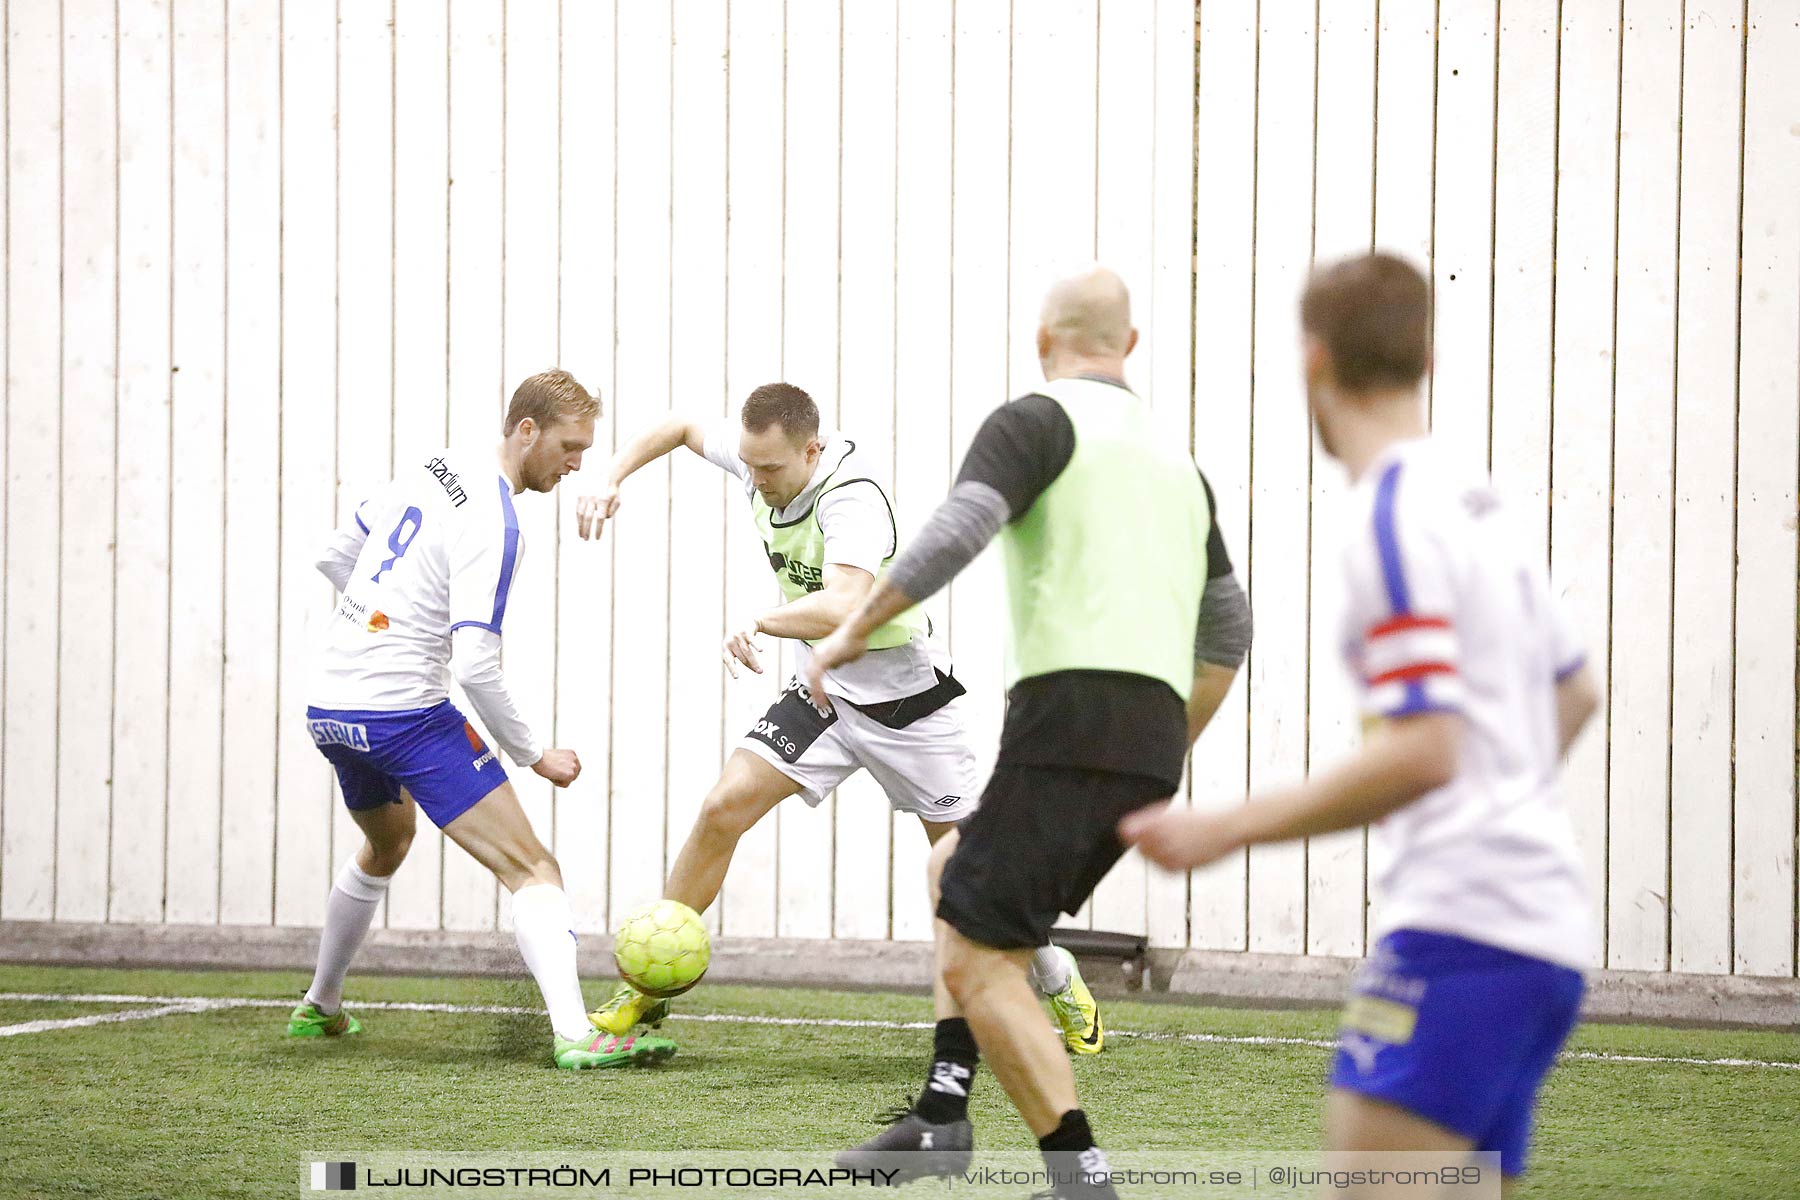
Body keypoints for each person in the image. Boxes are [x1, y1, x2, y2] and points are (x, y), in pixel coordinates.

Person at [1122, 252, 1597, 1195]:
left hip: (1464, 930)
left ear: (1312, 359)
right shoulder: (1475, 498)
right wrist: (1505, 800)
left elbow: (1426, 750)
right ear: (1424, 351)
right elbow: (1575, 692)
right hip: (1540, 932)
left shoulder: (1388, 517)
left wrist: (1223, 826)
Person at [816, 266, 1253, 1197]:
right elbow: (1230, 631)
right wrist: (1172, 741)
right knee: (960, 885)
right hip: (1143, 744)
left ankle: (1078, 1173)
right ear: (1129, 347)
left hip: (1067, 722)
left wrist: (856, 624)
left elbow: (963, 527)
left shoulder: (1035, 420)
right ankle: (942, 1108)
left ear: (1041, 340)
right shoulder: (1182, 467)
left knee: (976, 954)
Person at [575, 384, 1105, 1053]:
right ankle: (644, 992)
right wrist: (609, 475)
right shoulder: (760, 459)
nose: (758, 480)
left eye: (771, 469)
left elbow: (845, 603)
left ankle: (1055, 977)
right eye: (750, 465)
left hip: (908, 704)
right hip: (824, 695)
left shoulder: (852, 497)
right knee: (721, 809)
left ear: (812, 450)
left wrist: (761, 620)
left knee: (975, 877)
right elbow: (679, 424)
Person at [287, 369, 676, 1071]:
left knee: (388, 841)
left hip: (331, 706)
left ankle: (321, 1006)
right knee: (535, 868)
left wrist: (381, 625)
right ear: (526, 430)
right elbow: (474, 665)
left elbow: (333, 556)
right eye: (569, 445)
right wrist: (533, 754)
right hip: (402, 713)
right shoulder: (496, 522)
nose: (578, 462)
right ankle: (576, 1034)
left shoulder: (432, 469)